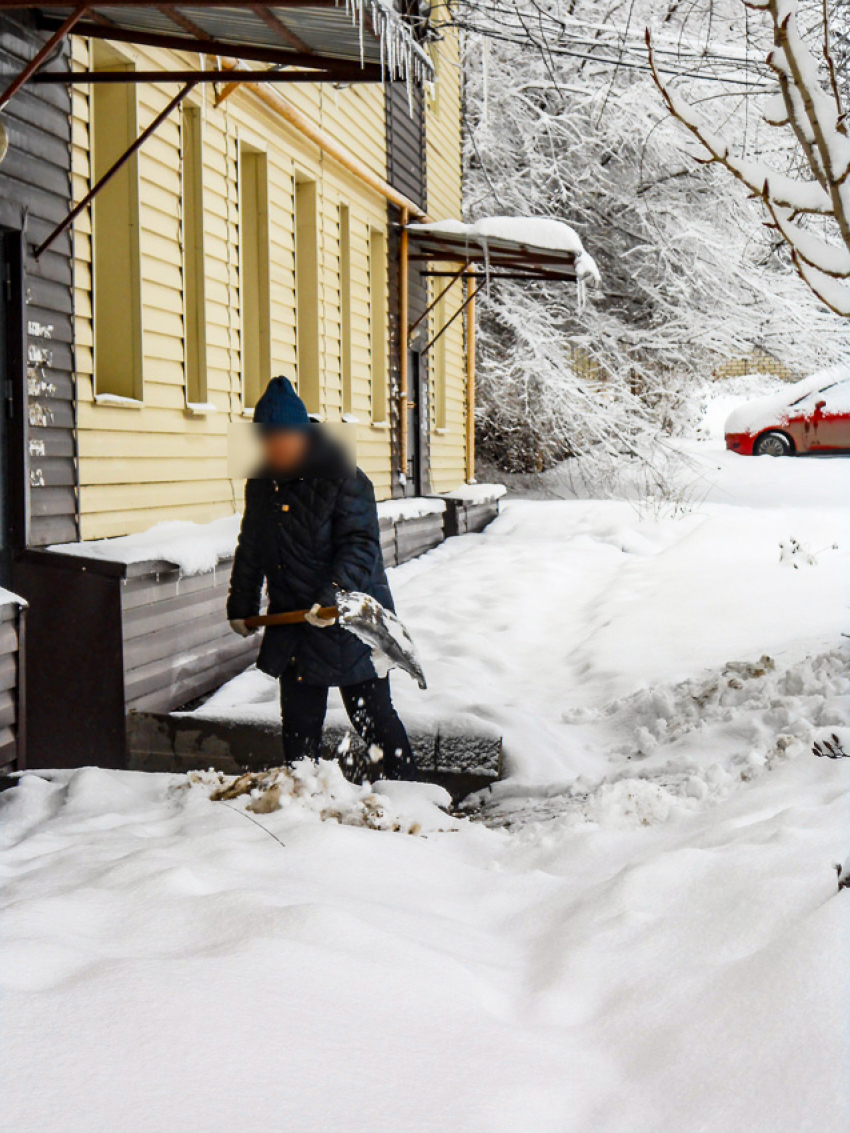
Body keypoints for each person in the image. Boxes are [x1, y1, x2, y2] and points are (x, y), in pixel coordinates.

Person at [227, 376, 416, 780]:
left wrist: (331, 595)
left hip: (348, 619)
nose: (274, 449)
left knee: (373, 718)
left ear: (302, 435)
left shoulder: (342, 476)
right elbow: (252, 544)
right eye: (266, 440)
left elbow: (361, 545)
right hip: (294, 620)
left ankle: (410, 791)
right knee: (298, 724)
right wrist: (241, 604)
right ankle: (302, 800)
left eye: (282, 439)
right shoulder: (262, 482)